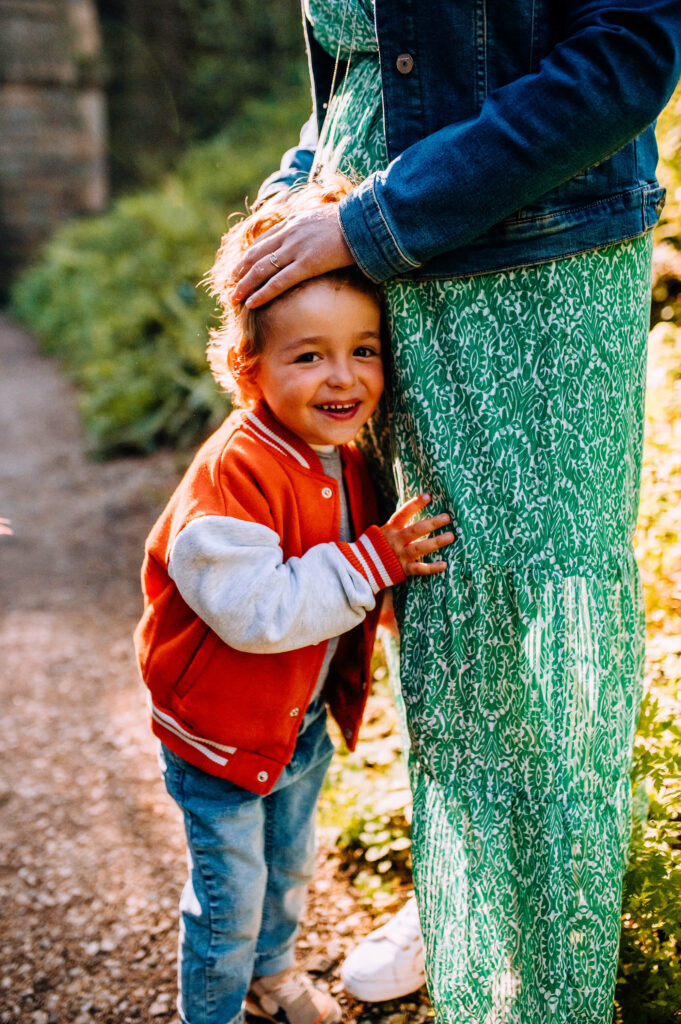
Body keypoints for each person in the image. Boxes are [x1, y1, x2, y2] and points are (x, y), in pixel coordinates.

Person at [229, 2, 681, 1022]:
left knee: (539, 599)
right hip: (358, 265)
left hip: (532, 257)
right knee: (425, 581)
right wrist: (294, 193)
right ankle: (464, 889)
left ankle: (550, 954)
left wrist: (361, 220)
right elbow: (360, 68)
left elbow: (626, 57)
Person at [133, 178, 455, 1024]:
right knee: (227, 898)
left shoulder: (339, 453)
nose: (343, 376)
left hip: (295, 722)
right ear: (248, 370)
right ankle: (213, 1010)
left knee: (287, 866)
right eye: (308, 355)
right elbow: (258, 611)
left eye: (364, 348)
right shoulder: (231, 477)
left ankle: (274, 976)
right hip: (219, 729)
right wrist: (371, 561)